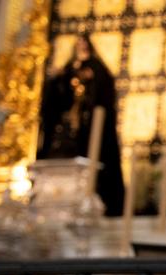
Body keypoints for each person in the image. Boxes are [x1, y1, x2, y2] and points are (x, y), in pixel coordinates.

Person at [39, 34, 125, 216]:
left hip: (90, 126)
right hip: (70, 125)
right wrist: (58, 78)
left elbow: (102, 90)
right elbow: (60, 94)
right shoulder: (70, 68)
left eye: (84, 43)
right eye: (79, 43)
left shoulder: (96, 67)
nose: (82, 46)